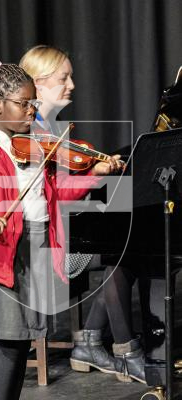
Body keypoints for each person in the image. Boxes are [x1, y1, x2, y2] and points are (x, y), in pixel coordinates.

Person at [0, 60, 121, 400]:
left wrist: (96, 174)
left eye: (34, 103)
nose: (32, 110)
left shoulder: (36, 145)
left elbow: (59, 193)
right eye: (23, 103)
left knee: (21, 341)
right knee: (10, 343)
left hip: (37, 247)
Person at [20, 45, 146, 384]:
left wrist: (97, 167)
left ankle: (93, 341)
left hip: (60, 232)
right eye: (64, 78)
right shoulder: (28, 133)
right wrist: (96, 175)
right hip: (40, 248)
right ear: (39, 83)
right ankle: (124, 350)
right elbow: (56, 194)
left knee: (128, 239)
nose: (72, 84)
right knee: (123, 249)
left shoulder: (51, 127)